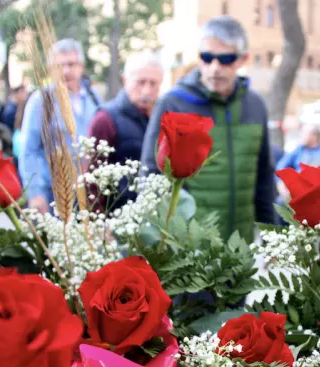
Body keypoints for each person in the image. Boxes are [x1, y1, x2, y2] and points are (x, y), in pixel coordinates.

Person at [140, 16, 276, 242]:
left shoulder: (255, 105)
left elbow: (264, 177)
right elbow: (151, 174)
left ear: (243, 59)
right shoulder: (173, 103)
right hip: (188, 248)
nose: (215, 68)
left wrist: (271, 233)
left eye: (225, 59)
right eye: (207, 57)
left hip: (240, 246)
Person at [20, 38, 102, 214]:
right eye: (60, 66)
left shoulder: (94, 98)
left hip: (90, 193)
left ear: (81, 66)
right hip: (54, 195)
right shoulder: (41, 100)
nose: (66, 71)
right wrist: (35, 193)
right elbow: (29, 150)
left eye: (71, 64)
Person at [88, 50, 163, 207]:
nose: (147, 91)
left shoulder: (162, 118)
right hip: (117, 219)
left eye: (153, 83)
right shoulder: (105, 119)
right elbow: (92, 182)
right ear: (125, 80)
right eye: (140, 82)